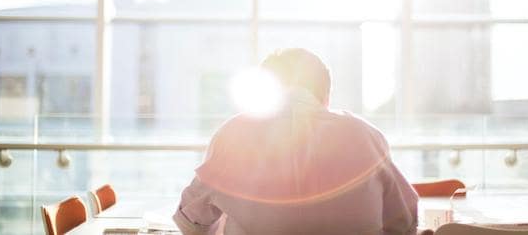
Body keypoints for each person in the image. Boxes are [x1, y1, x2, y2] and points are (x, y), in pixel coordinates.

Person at [174, 48, 418, 235]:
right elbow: (405, 221)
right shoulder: (366, 135)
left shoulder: (234, 133)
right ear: (326, 96)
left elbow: (190, 220)